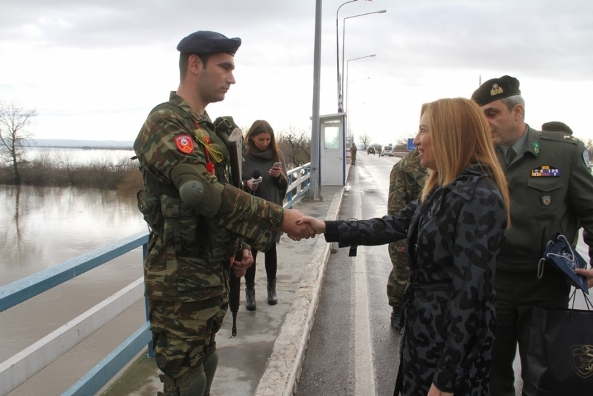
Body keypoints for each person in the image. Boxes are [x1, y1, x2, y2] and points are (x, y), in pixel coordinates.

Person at [133, 30, 314, 396]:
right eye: (225, 67)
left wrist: (241, 245)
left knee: (207, 362)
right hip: (179, 278)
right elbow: (200, 192)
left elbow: (227, 192)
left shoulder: (206, 129)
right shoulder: (167, 123)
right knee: (186, 381)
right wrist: (276, 217)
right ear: (195, 65)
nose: (232, 77)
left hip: (211, 272)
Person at [298, 98, 511, 396]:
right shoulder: (442, 188)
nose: (417, 140)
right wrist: (326, 227)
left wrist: (447, 379)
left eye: (424, 130)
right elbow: (392, 225)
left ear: (450, 134)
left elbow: (471, 299)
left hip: (446, 344)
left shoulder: (478, 198)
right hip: (425, 332)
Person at [471, 75, 593, 396]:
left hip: (544, 285)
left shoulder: (562, 154)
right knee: (491, 374)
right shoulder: (478, 156)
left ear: (518, 112)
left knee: (543, 374)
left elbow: (591, 212)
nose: (486, 122)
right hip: (492, 283)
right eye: (480, 115)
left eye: (492, 113)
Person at [242, 120, 288, 309]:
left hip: (272, 209)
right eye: (261, 139)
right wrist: (247, 185)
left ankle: (271, 290)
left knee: (270, 249)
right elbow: (234, 183)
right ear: (252, 137)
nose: (265, 143)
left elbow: (285, 185)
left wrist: (278, 177)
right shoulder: (243, 156)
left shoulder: (277, 155)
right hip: (251, 211)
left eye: (268, 139)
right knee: (250, 252)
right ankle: (250, 292)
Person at [386, 149, 427, 330]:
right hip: (408, 234)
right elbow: (396, 214)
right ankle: (398, 309)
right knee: (402, 275)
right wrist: (401, 245)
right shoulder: (403, 168)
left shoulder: (445, 163)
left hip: (432, 238)